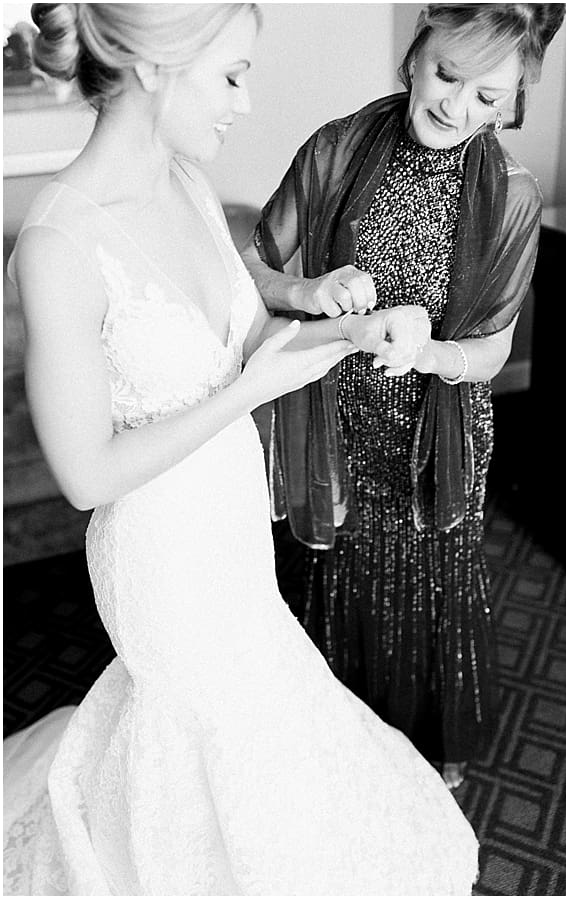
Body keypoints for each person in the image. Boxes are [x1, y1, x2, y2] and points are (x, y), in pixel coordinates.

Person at [3, 4, 477, 893]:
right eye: (231, 75)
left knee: (261, 697)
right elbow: (83, 473)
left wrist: (352, 324)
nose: (246, 101)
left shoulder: (184, 182)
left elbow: (250, 329)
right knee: (197, 725)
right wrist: (243, 396)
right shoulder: (58, 242)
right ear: (154, 67)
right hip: (158, 551)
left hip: (227, 515)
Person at [241, 3, 566, 789]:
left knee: (427, 587)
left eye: (487, 96)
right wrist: (309, 286)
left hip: (434, 432)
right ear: (415, 54)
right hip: (332, 420)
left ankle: (415, 751)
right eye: (446, 75)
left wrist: (431, 351)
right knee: (331, 573)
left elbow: (491, 350)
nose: (456, 107)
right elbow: (250, 270)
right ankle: (331, 740)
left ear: (514, 98)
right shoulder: (336, 146)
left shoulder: (512, 198)